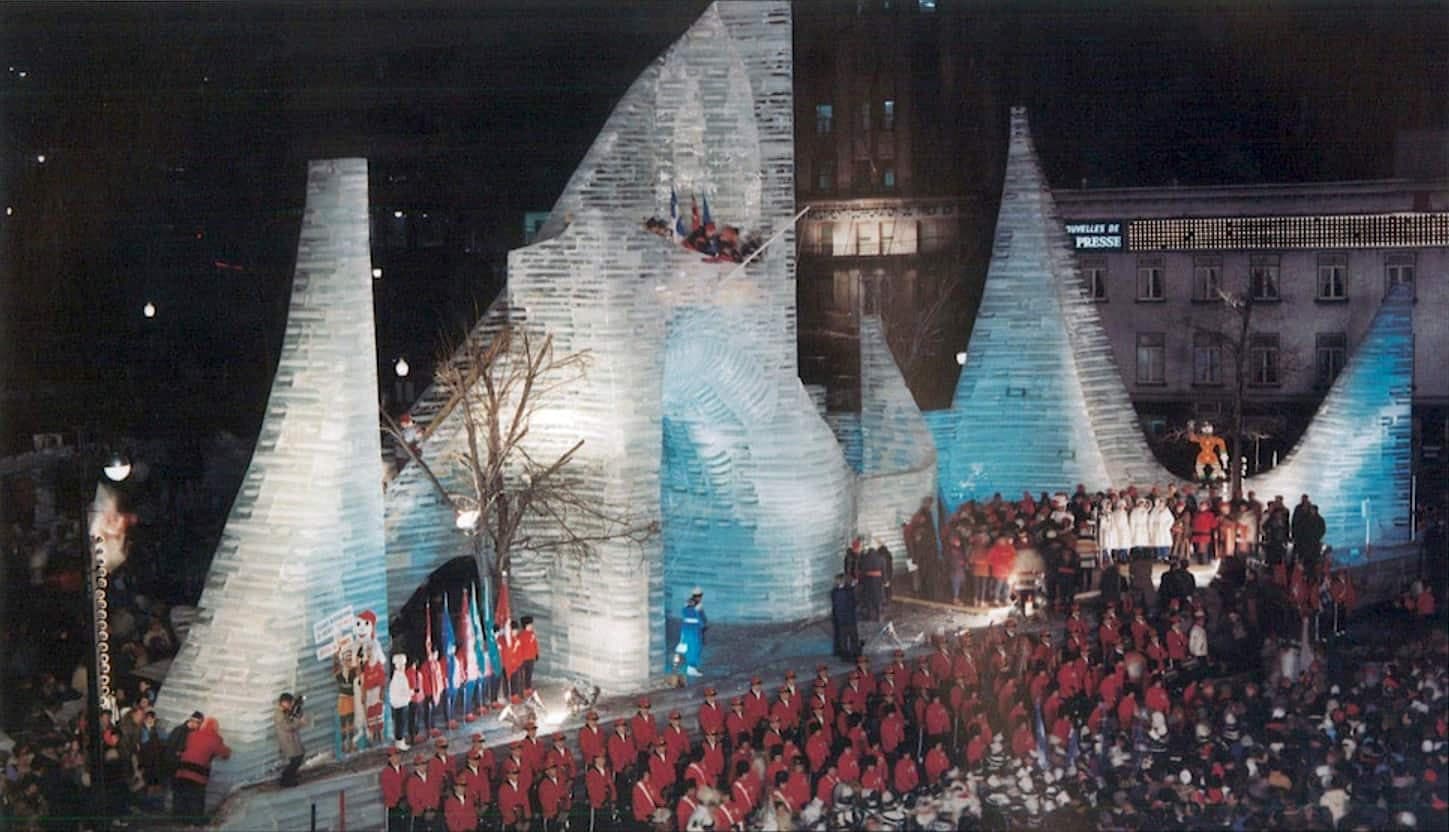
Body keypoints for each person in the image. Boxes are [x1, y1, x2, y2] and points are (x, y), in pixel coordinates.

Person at [172, 716, 230, 821]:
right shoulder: (215, 740)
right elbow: (225, 754)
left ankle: (176, 822)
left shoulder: (192, 735)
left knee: (180, 803)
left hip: (181, 772)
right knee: (195, 807)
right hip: (197, 776)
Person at [275, 692, 308, 788]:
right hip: (288, 740)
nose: (290, 705)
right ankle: (286, 780)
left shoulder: (284, 711)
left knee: (299, 756)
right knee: (295, 760)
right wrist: (299, 722)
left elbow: (292, 716)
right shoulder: (279, 714)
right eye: (289, 703)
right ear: (284, 703)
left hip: (292, 739)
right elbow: (288, 726)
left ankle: (291, 775)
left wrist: (296, 713)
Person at [830, 573, 859, 659]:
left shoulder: (834, 592)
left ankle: (843, 653)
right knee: (852, 636)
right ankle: (853, 653)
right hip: (848, 618)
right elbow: (855, 602)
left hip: (840, 618)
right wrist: (853, 586)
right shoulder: (848, 592)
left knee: (842, 637)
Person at [679, 589, 707, 676]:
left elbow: (683, 613)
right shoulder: (698, 606)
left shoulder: (687, 603)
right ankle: (691, 668)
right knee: (695, 648)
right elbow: (701, 617)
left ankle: (689, 667)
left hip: (686, 627)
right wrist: (703, 626)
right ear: (700, 596)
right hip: (695, 629)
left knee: (689, 647)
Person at [858, 545, 885, 621]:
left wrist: (861, 581)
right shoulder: (881, 558)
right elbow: (883, 571)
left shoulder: (865, 559)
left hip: (868, 581)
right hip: (878, 581)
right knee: (878, 598)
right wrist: (884, 581)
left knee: (868, 598)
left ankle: (869, 615)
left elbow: (862, 571)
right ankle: (878, 615)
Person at [517, 616, 540, 692]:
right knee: (522, 675)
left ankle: (528, 688)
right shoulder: (520, 635)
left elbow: (535, 644)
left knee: (529, 674)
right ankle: (521, 689)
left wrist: (536, 653)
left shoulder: (532, 633)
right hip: (523, 658)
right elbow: (519, 648)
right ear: (526, 625)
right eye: (530, 625)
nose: (532, 626)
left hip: (531, 657)